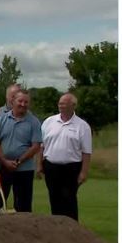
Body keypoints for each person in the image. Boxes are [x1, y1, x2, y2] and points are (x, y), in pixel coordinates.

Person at [38, 93, 92, 221]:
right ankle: (57, 228)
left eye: (64, 103)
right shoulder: (48, 122)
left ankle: (72, 228)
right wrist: (39, 165)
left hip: (71, 168)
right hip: (51, 166)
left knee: (69, 199)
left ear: (73, 106)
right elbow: (42, 146)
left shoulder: (82, 126)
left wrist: (83, 172)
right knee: (54, 197)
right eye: (60, 103)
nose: (61, 105)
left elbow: (86, 152)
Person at [0, 88, 42, 212]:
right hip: (2, 168)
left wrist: (19, 161)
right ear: (13, 101)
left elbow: (36, 145)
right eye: (20, 101)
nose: (23, 104)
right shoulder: (1, 119)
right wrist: (4, 160)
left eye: (26, 102)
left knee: (23, 206)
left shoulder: (34, 122)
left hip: (24, 170)